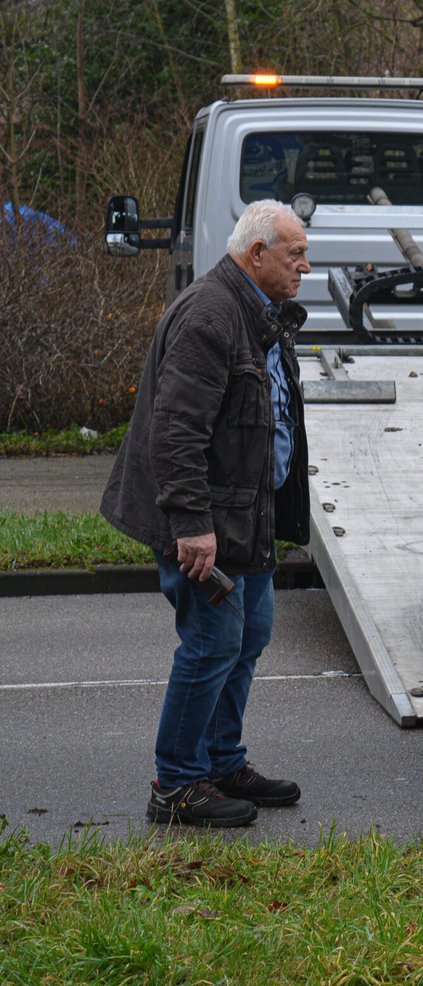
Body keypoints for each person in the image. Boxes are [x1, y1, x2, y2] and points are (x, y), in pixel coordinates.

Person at [102, 200, 312, 828]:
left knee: (248, 636)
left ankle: (221, 762)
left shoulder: (259, 312)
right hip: (204, 524)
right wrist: (192, 525)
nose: (306, 264)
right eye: (294, 253)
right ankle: (177, 784)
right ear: (256, 255)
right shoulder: (210, 315)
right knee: (211, 643)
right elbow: (176, 431)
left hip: (245, 518)